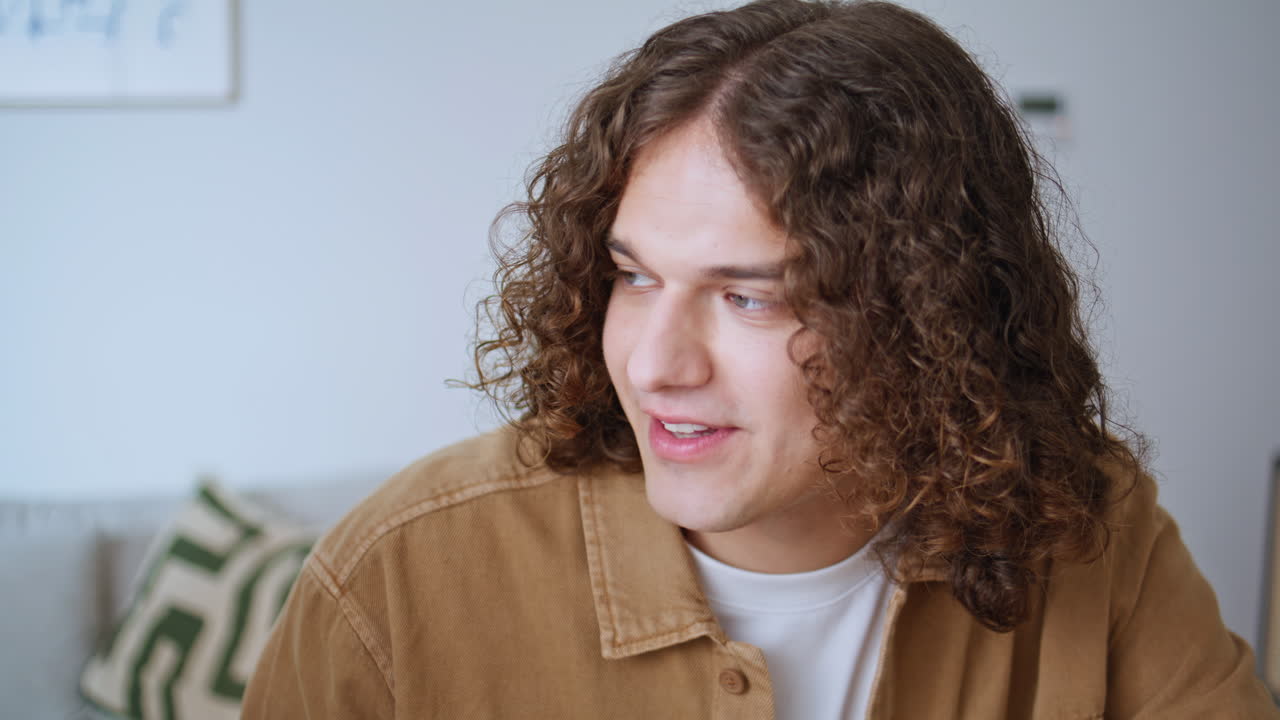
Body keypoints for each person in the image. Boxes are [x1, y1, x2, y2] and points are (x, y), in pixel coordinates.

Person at [243, 1, 1278, 717]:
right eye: (633, 277)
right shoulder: (396, 576)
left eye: (747, 298)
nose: (652, 364)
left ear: (928, 317)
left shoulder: (1086, 525)